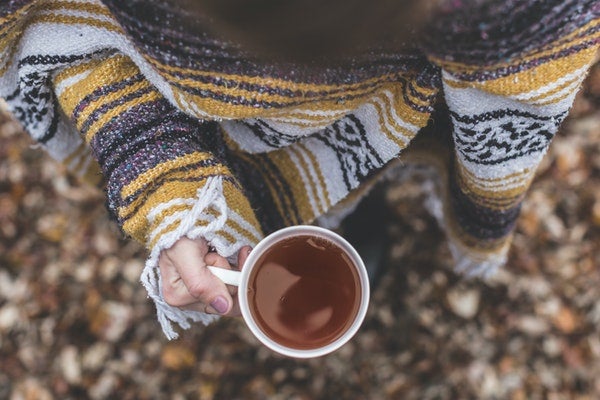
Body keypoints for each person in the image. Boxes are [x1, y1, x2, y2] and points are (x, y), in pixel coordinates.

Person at [0, 0, 598, 340]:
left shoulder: (503, 10)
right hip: (192, 125)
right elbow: (71, 28)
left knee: (362, 184)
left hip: (393, 119)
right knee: (340, 206)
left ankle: (357, 214)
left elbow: (519, 90)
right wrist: (168, 186)